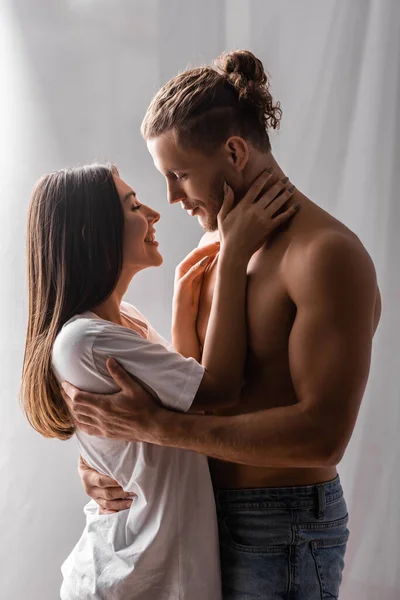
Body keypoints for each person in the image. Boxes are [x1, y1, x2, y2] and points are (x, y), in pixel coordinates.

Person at [63, 50, 381, 599]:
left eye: (179, 174)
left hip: (278, 531)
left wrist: (155, 431)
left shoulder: (327, 255)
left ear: (234, 151)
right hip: (195, 521)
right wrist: (109, 465)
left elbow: (322, 437)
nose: (170, 198)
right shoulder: (221, 244)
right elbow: (191, 393)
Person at [21, 163, 296, 599]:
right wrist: (234, 257)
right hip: (132, 578)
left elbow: (189, 400)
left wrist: (182, 303)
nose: (154, 213)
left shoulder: (123, 321)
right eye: (134, 206)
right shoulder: (86, 340)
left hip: (153, 571)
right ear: (93, 231)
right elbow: (220, 391)